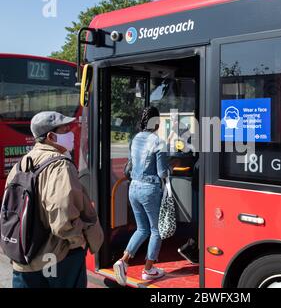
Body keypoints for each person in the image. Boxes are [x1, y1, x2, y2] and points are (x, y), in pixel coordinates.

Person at [5, 111, 104, 288]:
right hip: (57, 256)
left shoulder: (21, 164)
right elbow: (62, 216)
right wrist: (79, 241)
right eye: (66, 129)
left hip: (24, 256)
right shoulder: (59, 166)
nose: (72, 133)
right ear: (51, 136)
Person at [113, 106, 168, 286]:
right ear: (156, 122)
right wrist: (171, 167)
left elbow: (131, 165)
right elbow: (162, 173)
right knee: (156, 230)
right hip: (149, 190)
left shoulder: (136, 138)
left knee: (141, 229)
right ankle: (149, 269)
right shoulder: (158, 142)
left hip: (133, 188)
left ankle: (123, 261)